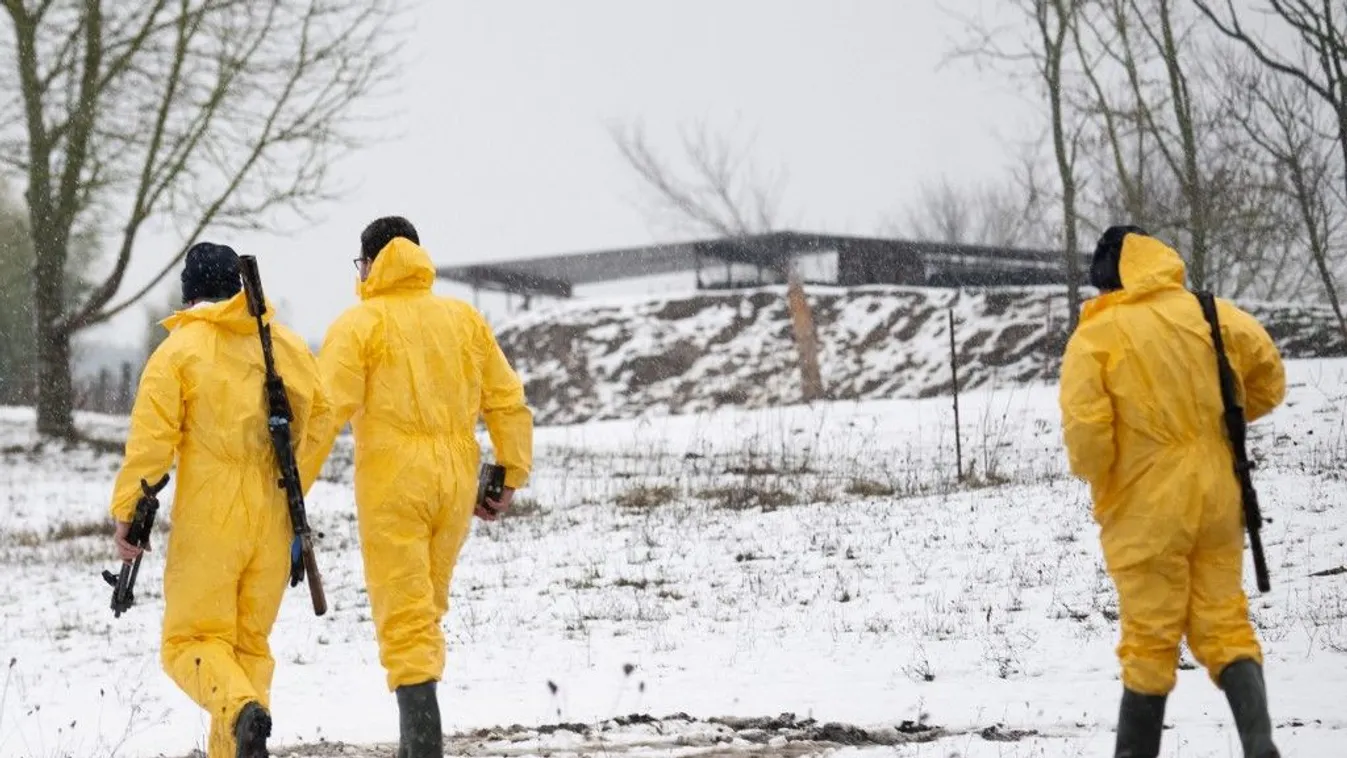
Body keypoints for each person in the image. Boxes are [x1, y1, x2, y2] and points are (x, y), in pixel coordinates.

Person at [299, 216, 533, 757]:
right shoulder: (463, 320)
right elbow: (506, 399)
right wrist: (509, 472)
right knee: (425, 608)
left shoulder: (359, 325)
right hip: (455, 481)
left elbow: (323, 416)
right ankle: (416, 742)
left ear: (370, 263)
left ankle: (423, 744)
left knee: (405, 616)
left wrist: (290, 492)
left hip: (393, 483)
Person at [1059, 226, 1286, 758]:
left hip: (1146, 507)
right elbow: (1269, 381)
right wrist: (1213, 424)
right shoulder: (1211, 313)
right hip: (1218, 495)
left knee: (1149, 638)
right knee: (1225, 624)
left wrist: (1110, 468)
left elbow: (1088, 442)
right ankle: (1260, 746)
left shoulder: (1096, 335)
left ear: (1105, 278)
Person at [109, 242, 331, 758]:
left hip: (211, 515)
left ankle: (240, 710)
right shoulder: (286, 345)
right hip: (275, 514)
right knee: (247, 648)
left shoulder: (179, 352)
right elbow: (320, 419)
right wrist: (291, 480)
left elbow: (151, 445)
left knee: (188, 643)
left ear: (189, 294)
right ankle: (241, 737)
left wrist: (128, 516)